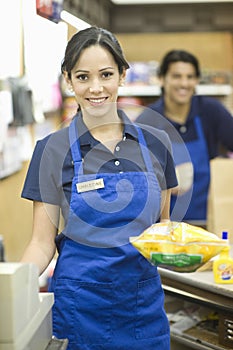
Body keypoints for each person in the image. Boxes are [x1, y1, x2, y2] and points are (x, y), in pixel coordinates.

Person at [20, 27, 177, 350]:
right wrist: (13, 288)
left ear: (122, 75)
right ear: (68, 80)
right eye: (82, 77)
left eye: (106, 74)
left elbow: (163, 230)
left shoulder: (158, 145)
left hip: (142, 309)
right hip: (80, 311)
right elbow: (40, 243)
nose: (95, 88)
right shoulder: (52, 149)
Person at [136, 49, 233, 224]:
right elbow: (133, 173)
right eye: (177, 76)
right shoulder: (148, 120)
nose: (184, 83)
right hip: (163, 226)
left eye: (190, 77)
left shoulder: (211, 111)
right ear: (162, 78)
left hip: (209, 220)